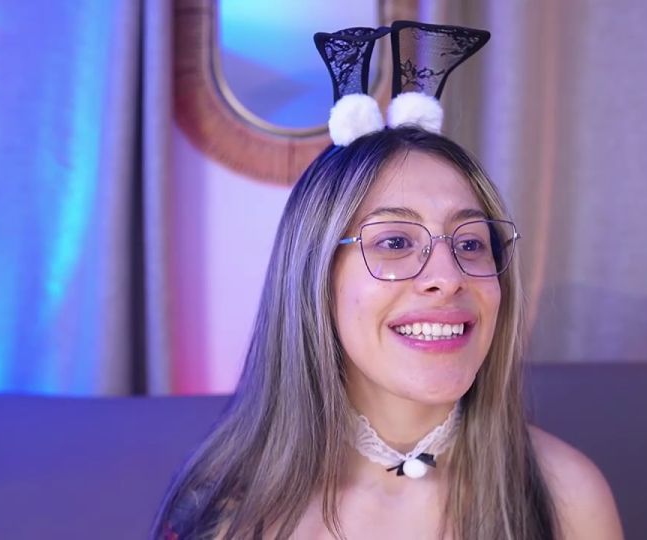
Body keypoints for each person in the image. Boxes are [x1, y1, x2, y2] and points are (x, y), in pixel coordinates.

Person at [153, 21, 622, 540]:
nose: (447, 278)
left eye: (470, 244)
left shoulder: (567, 495)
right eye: (395, 241)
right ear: (315, 279)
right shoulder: (224, 515)